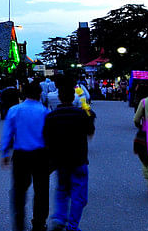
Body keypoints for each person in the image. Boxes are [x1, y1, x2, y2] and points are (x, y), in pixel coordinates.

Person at [44, 84, 95, 231]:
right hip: (79, 160)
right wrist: (86, 108)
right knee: (79, 196)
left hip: (60, 160)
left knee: (62, 190)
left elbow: (46, 140)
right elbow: (90, 132)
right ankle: (72, 226)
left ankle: (59, 218)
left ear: (59, 97)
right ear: (73, 98)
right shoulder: (81, 114)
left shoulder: (51, 116)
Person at [1, 82, 49, 231]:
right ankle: (39, 222)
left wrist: (5, 153)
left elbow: (8, 133)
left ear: (24, 94)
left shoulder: (15, 110)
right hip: (41, 155)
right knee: (41, 190)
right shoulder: (45, 111)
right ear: (40, 94)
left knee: (19, 190)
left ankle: (19, 222)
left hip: (21, 155)